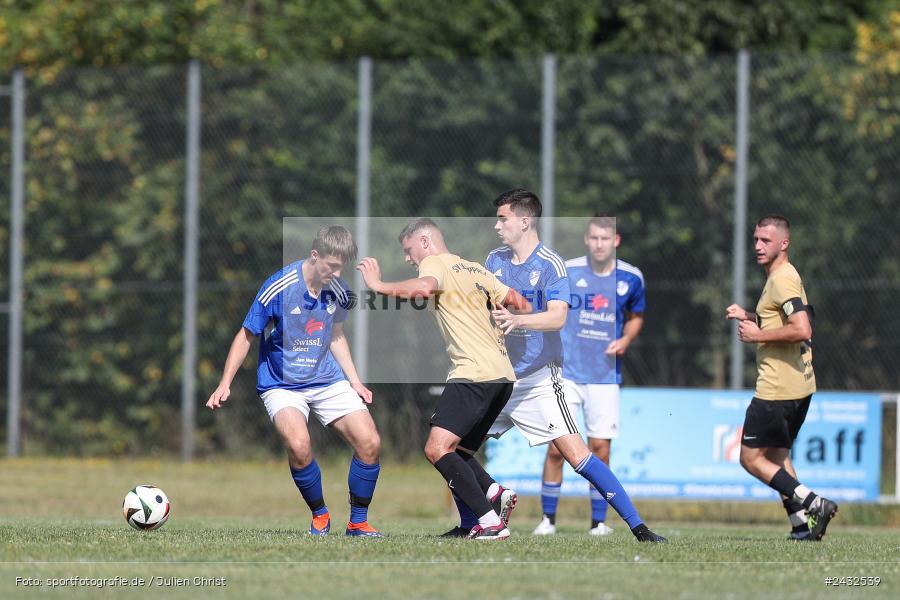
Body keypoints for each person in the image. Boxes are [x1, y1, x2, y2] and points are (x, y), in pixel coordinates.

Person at [452, 188, 665, 543]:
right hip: (499, 374)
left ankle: (639, 528)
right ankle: (473, 523)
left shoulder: (550, 264)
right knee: (451, 448)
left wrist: (518, 321)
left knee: (578, 454)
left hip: (538, 378)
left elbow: (557, 318)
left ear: (525, 221)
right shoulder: (494, 260)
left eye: (502, 218)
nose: (496, 226)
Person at [356, 218, 531, 540]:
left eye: (409, 251)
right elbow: (521, 303)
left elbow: (425, 288)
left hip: (473, 373)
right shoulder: (475, 269)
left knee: (437, 449)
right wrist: (511, 321)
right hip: (503, 376)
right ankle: (488, 498)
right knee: (459, 451)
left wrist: (378, 286)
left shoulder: (434, 262)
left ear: (424, 242)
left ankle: (489, 522)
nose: (409, 258)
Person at [207, 225, 383, 537]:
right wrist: (225, 383)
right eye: (331, 265)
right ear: (315, 256)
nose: (337, 272)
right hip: (282, 384)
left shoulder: (338, 290)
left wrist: (355, 380)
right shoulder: (279, 286)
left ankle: (358, 523)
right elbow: (247, 335)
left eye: (341, 266)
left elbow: (335, 335)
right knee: (299, 445)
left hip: (326, 378)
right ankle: (320, 515)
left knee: (369, 442)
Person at [726, 214, 837, 541]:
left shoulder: (781, 279)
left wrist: (757, 335)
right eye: (756, 239)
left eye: (766, 241)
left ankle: (814, 503)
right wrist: (748, 315)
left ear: (784, 243)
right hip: (800, 385)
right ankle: (802, 527)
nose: (758, 246)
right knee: (776, 457)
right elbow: (794, 316)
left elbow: (803, 328)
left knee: (750, 458)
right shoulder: (785, 276)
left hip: (778, 388)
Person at [533, 215, 645, 537]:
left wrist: (626, 339)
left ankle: (598, 522)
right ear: (586, 239)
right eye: (594, 238)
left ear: (615, 241)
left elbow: (637, 316)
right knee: (557, 446)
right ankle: (547, 520)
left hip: (605, 376)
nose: (599, 244)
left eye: (605, 239)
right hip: (564, 374)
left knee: (600, 448)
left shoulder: (631, 277)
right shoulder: (567, 271)